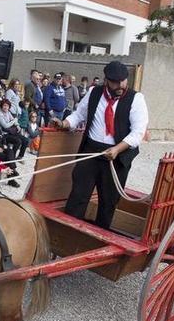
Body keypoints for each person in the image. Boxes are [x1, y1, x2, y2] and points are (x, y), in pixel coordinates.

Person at [53, 61, 148, 229]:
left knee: (108, 201)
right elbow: (79, 115)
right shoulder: (94, 93)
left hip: (117, 156)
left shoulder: (136, 99)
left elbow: (138, 133)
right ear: (106, 81)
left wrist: (117, 149)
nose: (120, 85)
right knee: (78, 195)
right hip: (91, 151)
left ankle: (100, 238)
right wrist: (65, 124)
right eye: (115, 82)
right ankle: (67, 233)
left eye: (123, 81)